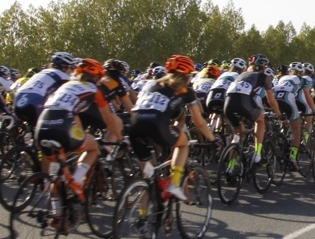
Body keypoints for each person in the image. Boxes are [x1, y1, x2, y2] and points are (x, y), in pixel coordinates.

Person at [126, 55, 217, 201]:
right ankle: (174, 184)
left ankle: (143, 217)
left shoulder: (151, 84)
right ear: (186, 76)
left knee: (147, 180)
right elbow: (199, 122)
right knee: (183, 143)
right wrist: (212, 140)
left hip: (135, 126)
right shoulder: (185, 90)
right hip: (156, 126)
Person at [34, 57, 122, 201]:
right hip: (61, 127)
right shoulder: (94, 89)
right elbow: (109, 119)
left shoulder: (65, 85)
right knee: (94, 147)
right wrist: (120, 138)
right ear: (97, 78)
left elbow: (69, 113)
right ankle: (75, 180)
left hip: (41, 127)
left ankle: (57, 213)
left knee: (57, 169)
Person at [223, 54, 280, 164]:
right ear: (265, 67)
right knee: (260, 119)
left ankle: (231, 166)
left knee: (239, 134)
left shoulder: (241, 74)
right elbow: (271, 101)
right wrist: (278, 113)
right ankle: (257, 154)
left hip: (228, 104)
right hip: (243, 102)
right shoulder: (264, 77)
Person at [13, 52, 75, 129]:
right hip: (34, 102)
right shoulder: (63, 77)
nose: (72, 71)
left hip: (18, 98)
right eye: (71, 68)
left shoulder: (42, 72)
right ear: (64, 67)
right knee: (50, 129)